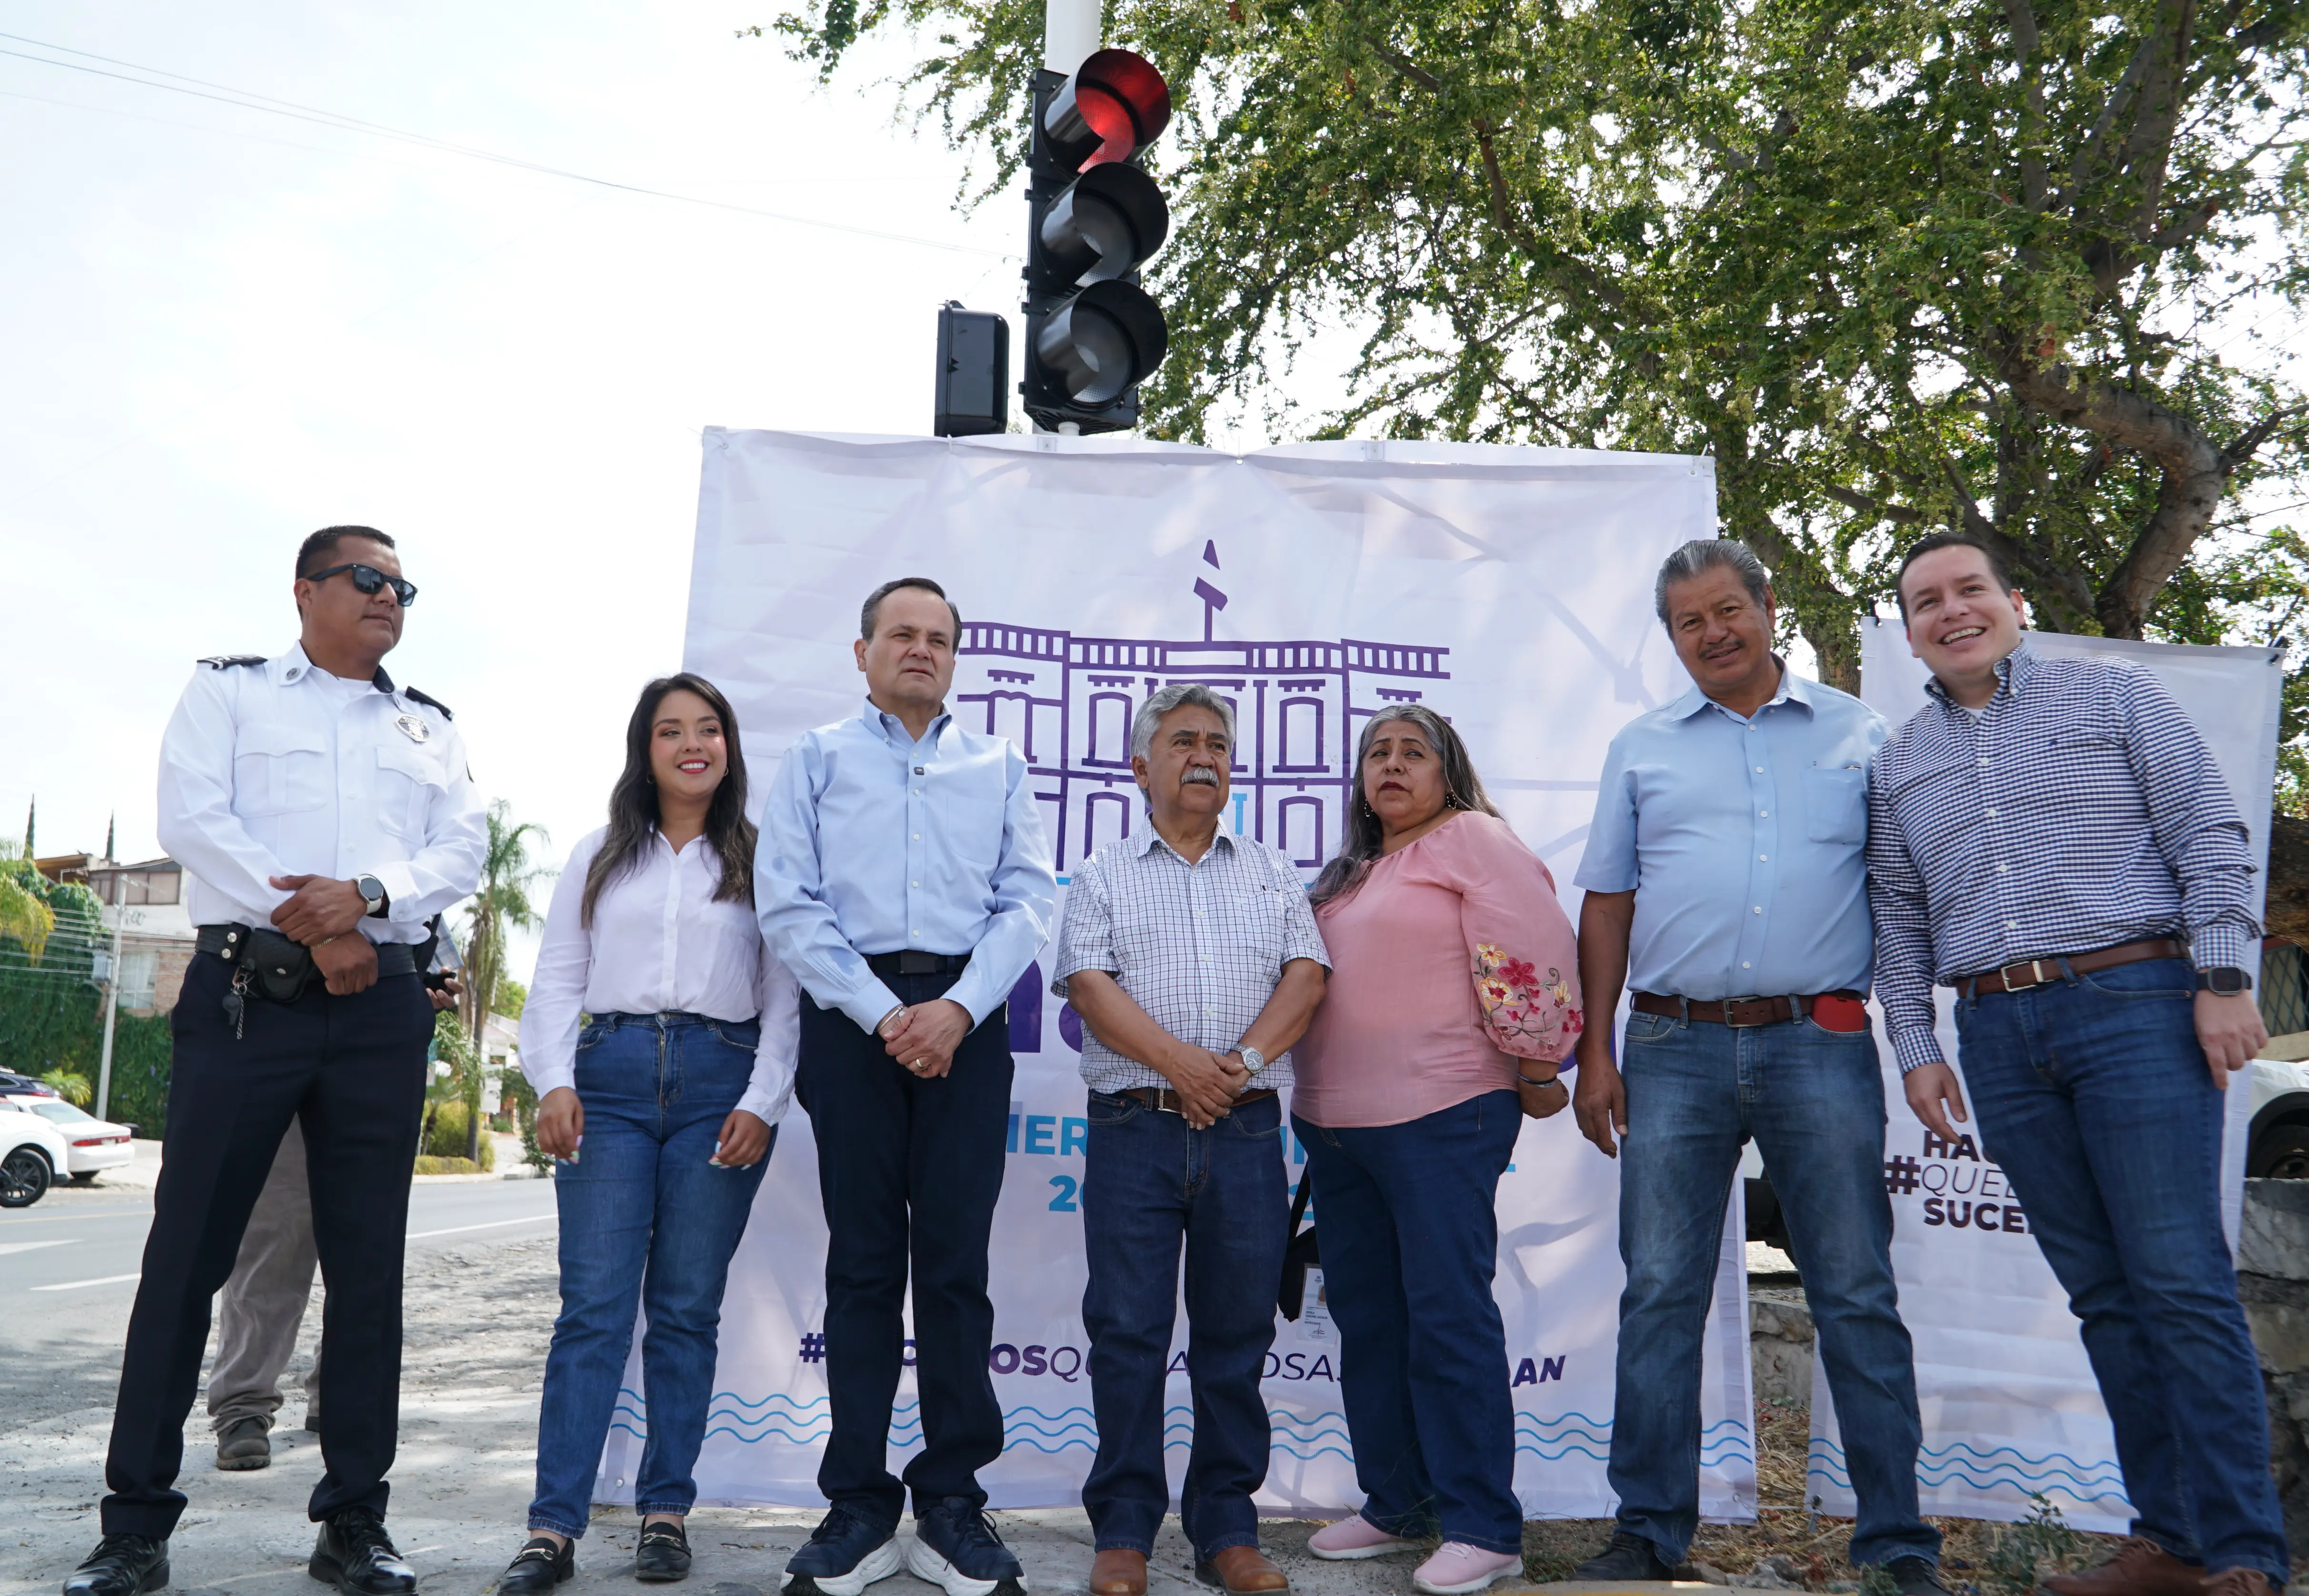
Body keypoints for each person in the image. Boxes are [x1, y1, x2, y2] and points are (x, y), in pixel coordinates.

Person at [67, 526, 486, 1596]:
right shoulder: (232, 693)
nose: (392, 596)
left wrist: (369, 899)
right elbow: (194, 819)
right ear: (306, 591)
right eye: (369, 578)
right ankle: (135, 1524)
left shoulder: (426, 724)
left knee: (366, 1272)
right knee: (186, 1259)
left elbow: (462, 847)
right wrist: (315, 921)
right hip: (251, 996)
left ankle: (353, 1518)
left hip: (382, 1006)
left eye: (404, 585)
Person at [1869, 533, 2288, 1596]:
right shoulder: (1898, 761)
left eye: (1970, 589)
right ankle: (2170, 1541)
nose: (1952, 610)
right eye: (1927, 600)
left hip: (2138, 1004)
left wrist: (2226, 978)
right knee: (2105, 1296)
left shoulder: (2115, 698)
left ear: (2013, 599)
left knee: (2180, 1284)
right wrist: (1917, 1050)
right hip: (2000, 1037)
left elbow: (2208, 829)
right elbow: (1901, 919)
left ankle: (2246, 1551)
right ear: (1909, 629)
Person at [1565, 539, 1942, 1592]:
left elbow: (1902, 893)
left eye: (1729, 609)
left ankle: (1899, 1544)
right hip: (1670, 1044)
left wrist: (1908, 1034)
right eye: (1690, 621)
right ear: (1672, 635)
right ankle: (1647, 1531)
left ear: (1769, 608)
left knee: (1856, 1290)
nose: (1713, 632)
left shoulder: (1859, 734)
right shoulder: (1642, 746)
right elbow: (1607, 901)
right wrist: (1595, 1050)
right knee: (1660, 1295)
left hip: (1816, 1039)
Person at [758, 578, 1056, 1596]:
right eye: (901, 634)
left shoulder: (998, 763)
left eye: (937, 637)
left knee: (958, 1265)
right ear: (862, 650)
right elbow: (788, 904)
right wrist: (886, 1012)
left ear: (955, 656)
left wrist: (957, 1011)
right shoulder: (816, 758)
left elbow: (1029, 901)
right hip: (854, 1021)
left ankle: (954, 1499)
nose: (920, 649)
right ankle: (855, 1502)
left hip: (966, 1021)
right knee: (865, 1263)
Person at [490, 673, 797, 1592]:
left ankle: (666, 1512)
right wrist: (551, 1080)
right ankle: (552, 1527)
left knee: (685, 1312)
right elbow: (554, 980)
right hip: (610, 1082)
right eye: (671, 731)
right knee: (591, 1310)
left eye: (709, 730)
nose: (692, 744)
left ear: (729, 748)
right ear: (646, 747)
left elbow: (787, 997)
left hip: (720, 1083)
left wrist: (761, 1099)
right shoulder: (599, 856)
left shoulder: (760, 859)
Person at [1292, 705, 1581, 1596]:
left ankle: (1483, 1525)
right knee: (1370, 1319)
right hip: (1335, 1127)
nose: (1390, 764)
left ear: (1446, 770)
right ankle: (1397, 1501)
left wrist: (1537, 1069)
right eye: (1376, 752)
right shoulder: (1348, 872)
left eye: (1412, 752)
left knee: (1447, 1314)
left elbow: (1530, 952)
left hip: (1443, 1113)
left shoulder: (1472, 839)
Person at [1053, 684, 1331, 1596]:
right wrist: (1184, 1066)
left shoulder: (1270, 871)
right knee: (1127, 1332)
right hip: (1135, 1127)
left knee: (1235, 1335)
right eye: (1182, 741)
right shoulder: (1101, 874)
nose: (1202, 754)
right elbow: (1088, 987)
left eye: (1216, 742)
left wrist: (1239, 1063)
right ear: (1142, 767)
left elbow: (1307, 975)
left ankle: (1226, 1527)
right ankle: (1124, 1530)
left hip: (1246, 1129)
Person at [210, 969, 461, 1473]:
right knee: (275, 1233)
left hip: (375, 1048)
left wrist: (426, 990)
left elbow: (430, 945)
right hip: (285, 1023)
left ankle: (338, 1398)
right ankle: (243, 1405)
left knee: (365, 1247)